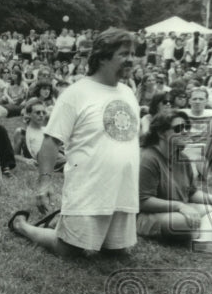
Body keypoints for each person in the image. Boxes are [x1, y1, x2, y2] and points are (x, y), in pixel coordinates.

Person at [9, 28, 139, 257]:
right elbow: (50, 141)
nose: (131, 60)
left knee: (118, 253)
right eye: (124, 54)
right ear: (103, 56)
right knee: (69, 250)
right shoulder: (76, 93)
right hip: (89, 189)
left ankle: (64, 222)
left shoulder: (128, 92)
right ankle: (22, 225)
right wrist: (44, 183)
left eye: (132, 53)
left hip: (122, 190)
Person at [136, 111, 212, 256]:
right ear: (161, 133)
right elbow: (144, 201)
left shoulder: (182, 157)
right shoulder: (148, 158)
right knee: (184, 222)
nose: (185, 132)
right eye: (178, 128)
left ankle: (202, 241)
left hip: (179, 210)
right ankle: (204, 230)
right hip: (148, 216)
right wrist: (180, 206)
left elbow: (191, 192)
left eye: (186, 128)